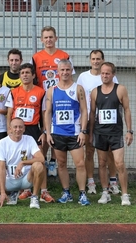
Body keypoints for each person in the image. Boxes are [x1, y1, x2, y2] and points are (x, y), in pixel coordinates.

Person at [5, 63, 55, 203]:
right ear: (19, 76)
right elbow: (9, 113)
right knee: (20, 158)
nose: (25, 75)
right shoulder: (14, 92)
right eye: (22, 73)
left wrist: (44, 131)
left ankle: (43, 192)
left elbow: (45, 113)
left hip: (33, 129)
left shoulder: (41, 92)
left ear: (33, 75)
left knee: (39, 160)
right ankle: (26, 189)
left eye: (28, 72)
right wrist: (10, 129)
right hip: (17, 130)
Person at [44, 59, 90, 206]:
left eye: (67, 70)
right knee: (61, 164)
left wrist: (83, 131)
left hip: (75, 133)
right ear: (58, 72)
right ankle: (66, 192)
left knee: (80, 164)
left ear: (71, 71)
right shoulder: (52, 90)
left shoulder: (78, 88)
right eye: (62, 70)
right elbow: (48, 112)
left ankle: (82, 193)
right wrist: (48, 132)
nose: (64, 72)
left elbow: (84, 111)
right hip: (57, 133)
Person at [32, 25, 74, 177]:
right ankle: (41, 161)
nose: (49, 40)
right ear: (42, 39)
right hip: (43, 97)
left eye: (51, 37)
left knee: (57, 128)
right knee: (44, 129)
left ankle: (53, 161)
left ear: (56, 38)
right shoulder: (36, 57)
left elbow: (70, 76)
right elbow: (34, 79)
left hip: (60, 97)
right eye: (46, 37)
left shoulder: (64, 55)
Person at [89, 62, 132, 206]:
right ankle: (105, 192)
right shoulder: (95, 91)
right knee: (102, 163)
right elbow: (92, 113)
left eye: (107, 73)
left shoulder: (120, 89)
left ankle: (125, 195)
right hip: (100, 133)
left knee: (119, 163)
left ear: (113, 74)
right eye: (102, 73)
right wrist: (90, 133)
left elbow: (127, 110)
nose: (104, 76)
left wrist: (129, 131)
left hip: (115, 133)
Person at [76, 49, 119, 195]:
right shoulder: (83, 77)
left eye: (98, 59)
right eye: (93, 59)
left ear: (102, 60)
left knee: (109, 152)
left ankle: (113, 182)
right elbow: (79, 97)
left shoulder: (108, 76)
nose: (96, 61)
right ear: (90, 60)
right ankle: (90, 182)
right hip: (88, 119)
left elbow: (116, 97)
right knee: (89, 150)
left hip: (106, 121)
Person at [0, 118, 45, 209]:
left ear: (24, 129)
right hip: (10, 180)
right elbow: (1, 168)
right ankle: (11, 193)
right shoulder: (3, 142)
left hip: (26, 179)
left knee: (38, 165)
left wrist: (22, 163)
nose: (18, 129)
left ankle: (34, 197)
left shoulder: (29, 139)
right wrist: (2, 192)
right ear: (10, 129)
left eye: (20, 127)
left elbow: (41, 158)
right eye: (15, 127)